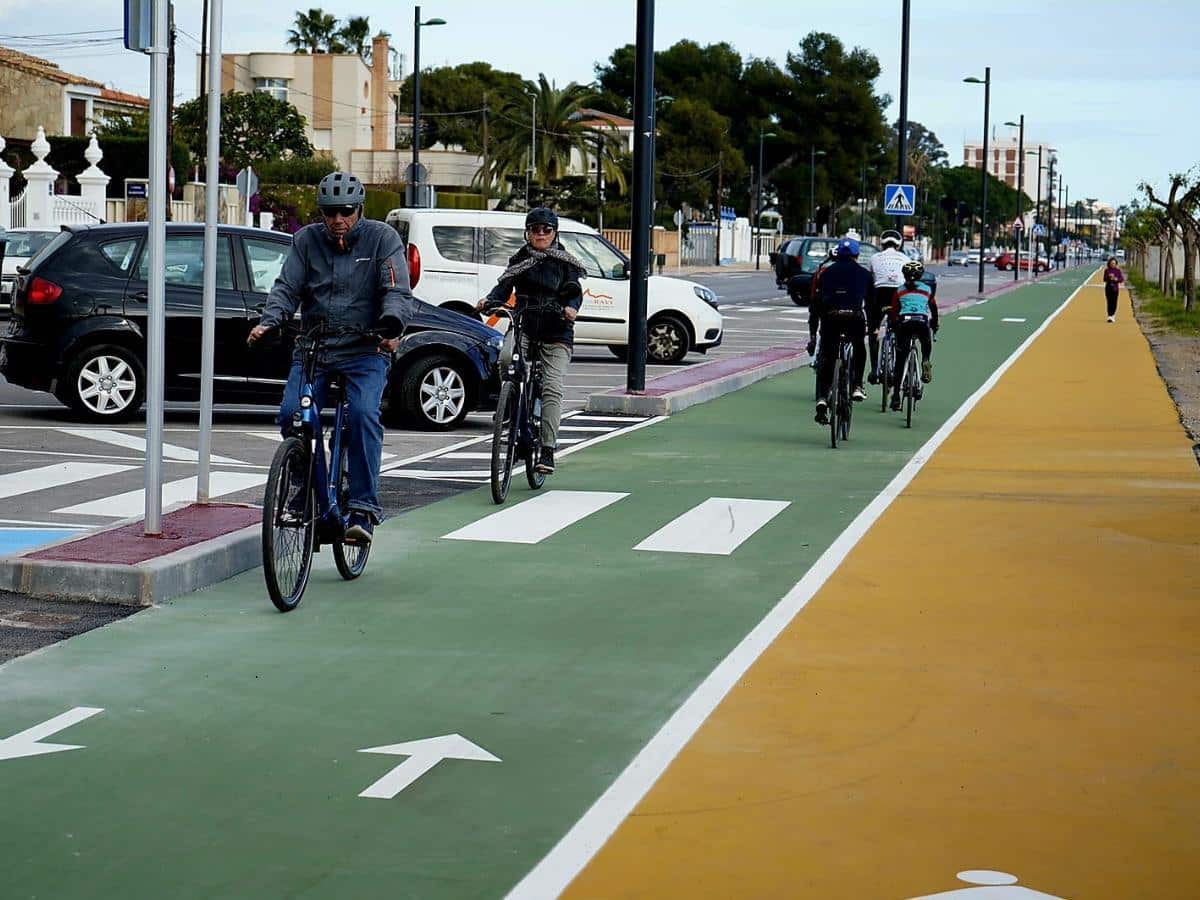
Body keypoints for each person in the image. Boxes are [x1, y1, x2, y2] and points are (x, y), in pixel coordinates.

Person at [248, 171, 414, 545]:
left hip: (366, 349)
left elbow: (396, 289)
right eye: (330, 212)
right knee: (293, 413)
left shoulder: (382, 238)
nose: (338, 219)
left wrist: (391, 325)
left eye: (346, 211)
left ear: (359, 209)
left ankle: (362, 509)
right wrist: (269, 322)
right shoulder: (307, 240)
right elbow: (287, 286)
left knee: (362, 415)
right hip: (315, 348)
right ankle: (304, 490)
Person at [475, 207, 584, 475]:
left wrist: (570, 307)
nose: (541, 234)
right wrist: (490, 301)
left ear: (555, 232)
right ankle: (511, 414)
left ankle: (547, 449)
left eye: (546, 229)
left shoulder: (566, 262)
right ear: (527, 233)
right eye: (535, 229)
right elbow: (504, 286)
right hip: (524, 324)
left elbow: (574, 290)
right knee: (505, 361)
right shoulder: (520, 259)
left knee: (552, 388)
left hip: (557, 330)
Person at [808, 237, 871, 424]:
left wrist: (814, 332)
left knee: (827, 355)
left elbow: (816, 303)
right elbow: (872, 304)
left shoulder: (826, 273)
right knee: (859, 347)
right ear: (857, 255)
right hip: (854, 318)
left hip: (831, 318)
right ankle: (857, 385)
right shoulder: (864, 274)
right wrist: (874, 326)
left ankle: (821, 398)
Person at [888, 259, 939, 411]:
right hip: (921, 321)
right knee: (925, 342)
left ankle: (896, 396)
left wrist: (893, 324)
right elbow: (933, 308)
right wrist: (934, 323)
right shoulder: (927, 289)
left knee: (900, 361)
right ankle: (925, 360)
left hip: (905, 322)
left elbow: (894, 311)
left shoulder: (899, 290)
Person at [867, 229, 908, 385]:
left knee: (873, 330)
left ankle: (875, 370)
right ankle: (898, 367)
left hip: (880, 294)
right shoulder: (905, 257)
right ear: (898, 245)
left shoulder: (874, 257)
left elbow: (871, 279)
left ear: (882, 244)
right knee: (900, 331)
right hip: (898, 294)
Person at [1103, 256, 1125, 322]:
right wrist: (1109, 277)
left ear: (1116, 264)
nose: (1112, 264)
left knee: (1114, 302)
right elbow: (1104, 279)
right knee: (1109, 302)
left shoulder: (1118, 271)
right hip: (1108, 288)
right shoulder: (1106, 270)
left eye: (1114, 263)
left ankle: (1113, 315)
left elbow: (1121, 279)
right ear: (1109, 264)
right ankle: (1109, 316)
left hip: (1115, 289)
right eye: (1111, 263)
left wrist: (1116, 279)